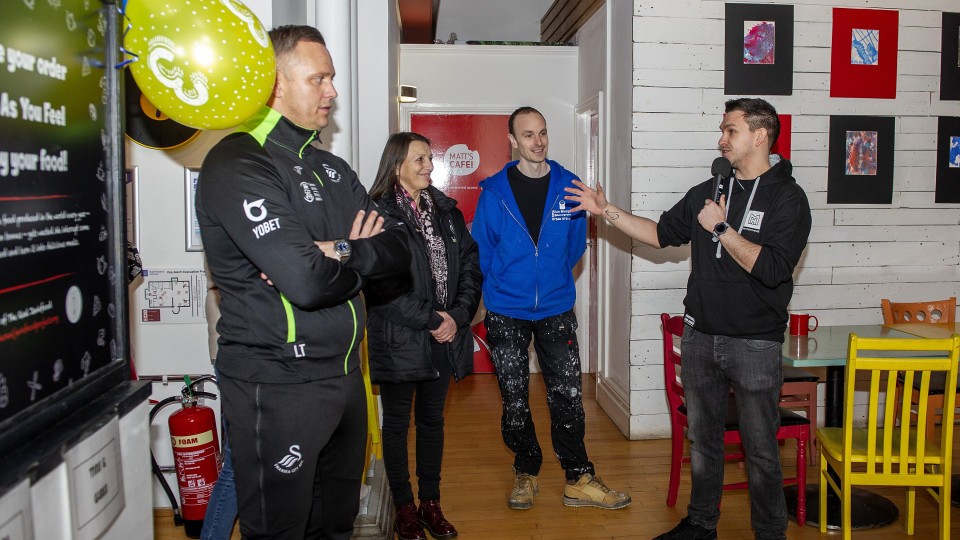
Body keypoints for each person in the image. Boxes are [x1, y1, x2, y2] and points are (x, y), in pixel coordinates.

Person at [196, 25, 410, 539]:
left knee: (335, 526)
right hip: (277, 385)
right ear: (274, 83)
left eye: (332, 78)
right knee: (280, 531)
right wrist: (359, 260)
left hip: (345, 380)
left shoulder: (332, 167)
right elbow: (308, 284)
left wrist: (339, 250)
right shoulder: (237, 161)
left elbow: (403, 255)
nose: (332, 92)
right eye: (320, 79)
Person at [565, 98, 812, 540]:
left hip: (754, 344)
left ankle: (770, 533)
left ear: (759, 136)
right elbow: (660, 234)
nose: (721, 139)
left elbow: (773, 269)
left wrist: (721, 229)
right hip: (700, 339)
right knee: (704, 443)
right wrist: (607, 211)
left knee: (760, 451)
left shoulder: (788, 199)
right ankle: (701, 524)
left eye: (730, 130)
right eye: (722, 129)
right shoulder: (709, 190)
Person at [471, 106, 631, 511]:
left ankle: (578, 477)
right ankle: (526, 470)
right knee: (514, 397)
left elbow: (576, 245)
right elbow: (483, 251)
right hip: (506, 310)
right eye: (528, 135)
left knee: (567, 395)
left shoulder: (569, 186)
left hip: (556, 307)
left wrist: (554, 276)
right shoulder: (493, 192)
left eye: (542, 133)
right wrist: (503, 288)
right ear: (512, 141)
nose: (538, 141)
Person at [366, 132, 482, 540]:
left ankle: (431, 504)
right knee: (397, 425)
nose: (428, 167)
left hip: (443, 336)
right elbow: (380, 287)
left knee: (432, 421)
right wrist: (433, 318)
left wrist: (458, 314)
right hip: (401, 337)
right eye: (419, 160)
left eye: (429, 159)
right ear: (397, 165)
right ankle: (405, 509)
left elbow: (470, 263)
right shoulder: (377, 215)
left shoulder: (446, 212)